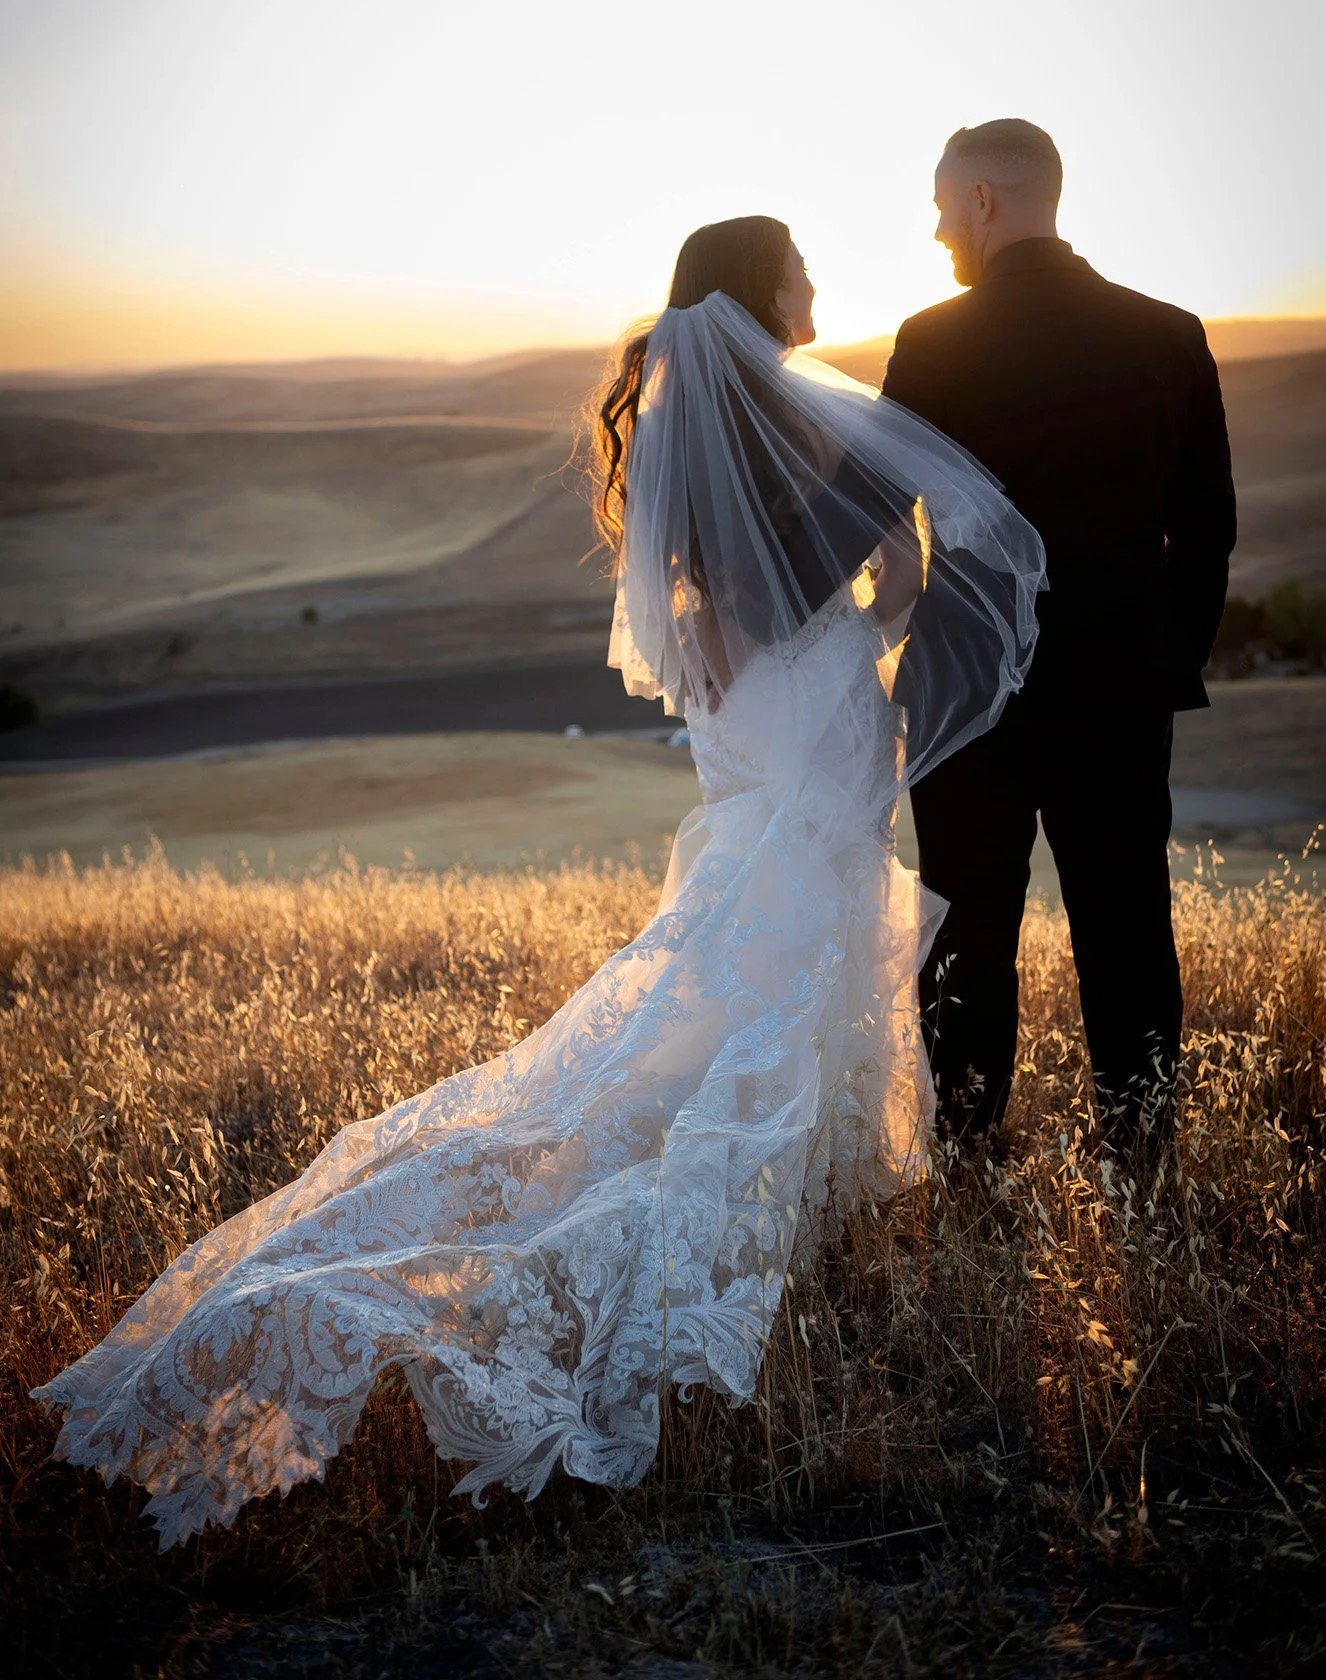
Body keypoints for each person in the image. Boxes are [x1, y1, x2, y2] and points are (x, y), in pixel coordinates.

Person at [34, 216, 1044, 1547]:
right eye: (797, 269)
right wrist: (889, 549)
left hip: (800, 741)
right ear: (753, 292)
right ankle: (669, 1283)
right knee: (759, 1011)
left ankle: (817, 1248)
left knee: (771, 1001)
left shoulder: (730, 437)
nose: (814, 288)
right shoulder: (770, 444)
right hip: (809, 749)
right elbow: (835, 581)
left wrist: (870, 590)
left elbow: (781, 611)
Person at [883, 121, 1236, 1162]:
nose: (938, 223)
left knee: (966, 934)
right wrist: (1162, 651)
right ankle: (1140, 1156)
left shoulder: (931, 338)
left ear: (986, 199)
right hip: (1119, 685)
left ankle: (968, 1159)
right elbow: (1207, 529)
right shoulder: (1166, 332)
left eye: (946, 202)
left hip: (966, 694)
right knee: (1126, 928)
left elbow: (882, 511)